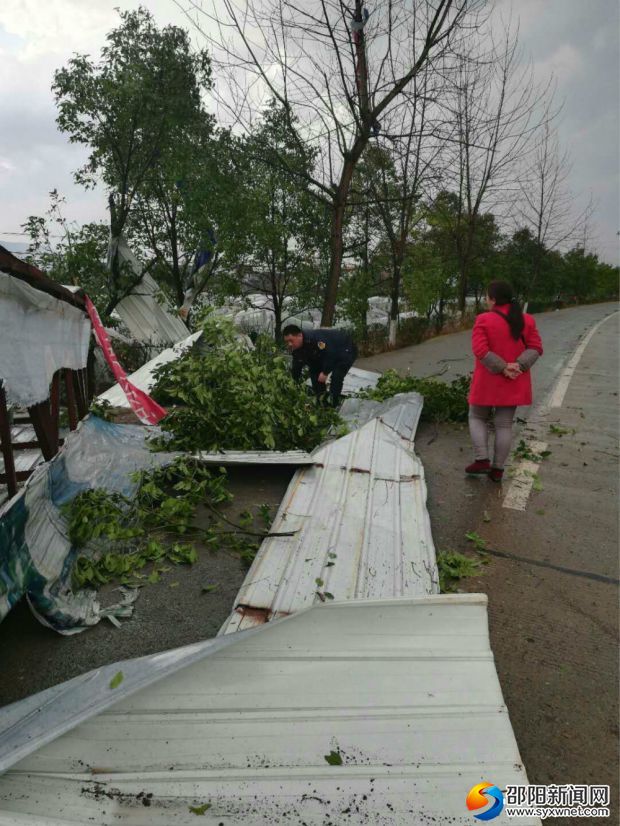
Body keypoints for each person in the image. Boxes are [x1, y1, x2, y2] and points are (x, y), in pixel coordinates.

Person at [466, 281, 543, 482]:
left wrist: (502, 368)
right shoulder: (527, 320)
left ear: (493, 299)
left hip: (488, 380)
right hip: (514, 381)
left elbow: (480, 350)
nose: (485, 300)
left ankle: (482, 459)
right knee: (504, 425)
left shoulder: (484, 319)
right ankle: (498, 470)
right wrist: (517, 366)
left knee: (476, 417)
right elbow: (536, 348)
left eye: (486, 297)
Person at [283, 324, 358, 407]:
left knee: (336, 376)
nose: (289, 344)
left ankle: (333, 404)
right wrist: (292, 383)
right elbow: (296, 367)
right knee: (314, 375)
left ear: (299, 335)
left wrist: (325, 372)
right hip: (322, 354)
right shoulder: (296, 349)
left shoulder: (316, 340)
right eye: (287, 342)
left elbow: (331, 354)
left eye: (291, 340)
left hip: (344, 349)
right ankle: (322, 402)